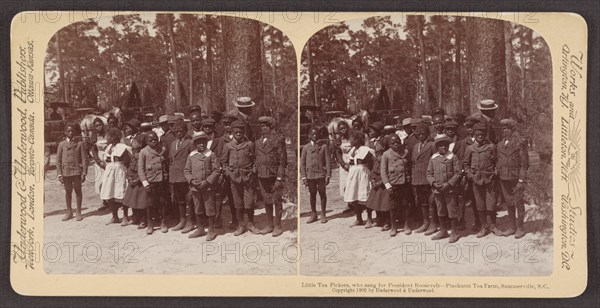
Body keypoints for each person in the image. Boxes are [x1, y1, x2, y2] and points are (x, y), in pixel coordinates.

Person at [221, 120, 259, 236]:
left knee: (249, 202)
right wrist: (228, 172)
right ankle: (241, 225)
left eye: (241, 130)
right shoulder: (228, 146)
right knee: (238, 203)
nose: (238, 132)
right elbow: (223, 162)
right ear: (232, 131)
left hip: (248, 178)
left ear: (244, 131)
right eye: (236, 130)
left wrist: (254, 170)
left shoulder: (249, 145)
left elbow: (255, 160)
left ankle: (251, 224)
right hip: (234, 179)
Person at [463, 123, 500, 238]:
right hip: (477, 180)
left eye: (482, 134)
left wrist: (496, 171)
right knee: (480, 205)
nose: (480, 136)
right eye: (477, 134)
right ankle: (484, 227)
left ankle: (493, 225)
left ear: (485, 135)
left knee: (492, 203)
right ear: (474, 134)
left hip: (490, 179)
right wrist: (470, 175)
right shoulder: (470, 148)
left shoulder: (491, 147)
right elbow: (465, 164)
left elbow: (497, 161)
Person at [254, 116, 288, 236]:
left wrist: (280, 177)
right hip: (262, 176)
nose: (262, 128)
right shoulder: (257, 142)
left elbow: (283, 161)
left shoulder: (278, 139)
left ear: (270, 127)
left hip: (274, 176)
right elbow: (256, 159)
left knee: (277, 200)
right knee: (266, 200)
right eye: (261, 126)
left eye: (264, 126)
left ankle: (278, 226)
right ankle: (269, 225)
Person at [184, 132, 221, 240]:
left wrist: (208, 182)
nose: (201, 145)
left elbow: (216, 170)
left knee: (209, 209)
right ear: (195, 144)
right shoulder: (191, 156)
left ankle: (211, 230)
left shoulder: (211, 154)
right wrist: (191, 181)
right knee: (198, 208)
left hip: (208, 187)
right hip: (195, 188)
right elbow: (186, 171)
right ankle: (200, 229)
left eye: (203, 143)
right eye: (199, 143)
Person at [427, 134, 463, 243]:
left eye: (445, 145)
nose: (443, 148)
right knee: (440, 210)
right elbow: (429, 173)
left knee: (452, 211)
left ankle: (454, 232)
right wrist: (433, 183)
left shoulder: (453, 157)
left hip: (450, 190)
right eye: (441, 146)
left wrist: (449, 184)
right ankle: (443, 231)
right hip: (437, 190)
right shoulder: (433, 158)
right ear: (437, 147)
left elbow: (458, 173)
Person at [497, 119, 529, 238]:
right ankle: (512, 227)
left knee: (519, 203)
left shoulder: (519, 143)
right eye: (503, 129)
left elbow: (524, 164)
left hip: (516, 179)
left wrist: (521, 180)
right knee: (509, 203)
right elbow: (498, 161)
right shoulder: (499, 144)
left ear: (512, 130)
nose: (505, 131)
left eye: (508, 129)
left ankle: (520, 228)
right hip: (504, 178)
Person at [453, 116, 481, 231]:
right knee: (462, 199)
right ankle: (461, 221)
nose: (469, 129)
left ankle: (479, 222)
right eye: (468, 127)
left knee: (477, 199)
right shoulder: (462, 142)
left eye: (472, 127)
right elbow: (459, 159)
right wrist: (463, 173)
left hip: (478, 175)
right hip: (466, 176)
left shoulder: (483, 140)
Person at [380, 134, 412, 236]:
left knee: (406, 204)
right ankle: (394, 226)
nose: (396, 144)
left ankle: (406, 225)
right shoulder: (386, 154)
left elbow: (410, 166)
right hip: (393, 184)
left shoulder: (405, 152)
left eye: (398, 141)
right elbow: (383, 171)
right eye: (393, 143)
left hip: (404, 183)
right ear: (389, 144)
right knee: (393, 206)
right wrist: (387, 185)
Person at [139, 131, 169, 234]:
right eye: (150, 140)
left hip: (161, 181)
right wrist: (145, 183)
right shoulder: (143, 152)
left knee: (162, 202)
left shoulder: (162, 150)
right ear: (146, 141)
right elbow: (141, 169)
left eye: (155, 139)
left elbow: (166, 164)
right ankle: (150, 223)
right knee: (150, 203)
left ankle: (163, 222)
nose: (153, 142)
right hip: (150, 181)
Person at [56, 124, 88, 221]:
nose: (71, 133)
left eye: (72, 131)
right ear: (65, 132)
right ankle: (69, 212)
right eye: (69, 131)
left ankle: (78, 211)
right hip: (66, 171)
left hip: (77, 171)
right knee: (68, 191)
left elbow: (84, 159)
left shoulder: (79, 143)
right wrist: (59, 173)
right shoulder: (61, 144)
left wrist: (84, 172)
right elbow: (58, 161)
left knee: (78, 191)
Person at [100, 128, 131, 224]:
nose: (107, 138)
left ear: (113, 137)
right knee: (110, 192)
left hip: (119, 171)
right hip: (110, 172)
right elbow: (107, 159)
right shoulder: (109, 147)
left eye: (108, 136)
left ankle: (125, 216)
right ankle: (115, 216)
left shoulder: (123, 147)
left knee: (121, 193)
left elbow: (127, 161)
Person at [344, 130, 375, 227]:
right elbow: (350, 162)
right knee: (354, 196)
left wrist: (370, 175)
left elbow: (371, 164)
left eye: (351, 139)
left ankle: (369, 219)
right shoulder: (352, 150)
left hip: (363, 173)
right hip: (353, 174)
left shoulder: (366, 150)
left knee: (365, 196)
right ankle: (359, 218)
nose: (350, 141)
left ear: (356, 139)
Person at [301, 127, 332, 224]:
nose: (315, 136)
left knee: (322, 193)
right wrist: (303, 176)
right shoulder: (306, 147)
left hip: (321, 174)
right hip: (310, 175)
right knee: (312, 193)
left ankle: (323, 213)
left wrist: (328, 175)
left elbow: (328, 161)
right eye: (313, 134)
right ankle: (313, 214)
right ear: (309, 135)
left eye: (317, 134)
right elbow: (302, 163)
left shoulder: (323, 147)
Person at [167, 121, 194, 231]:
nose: (179, 133)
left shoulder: (190, 143)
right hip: (175, 176)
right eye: (176, 131)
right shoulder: (173, 144)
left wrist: (191, 176)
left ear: (185, 131)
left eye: (181, 131)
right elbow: (171, 161)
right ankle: (182, 220)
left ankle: (190, 222)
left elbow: (193, 159)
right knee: (180, 200)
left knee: (190, 199)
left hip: (185, 176)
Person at [411, 123, 437, 234]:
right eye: (419, 133)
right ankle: (425, 222)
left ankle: (433, 224)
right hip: (418, 179)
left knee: (432, 202)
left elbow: (435, 162)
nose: (421, 135)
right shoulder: (415, 147)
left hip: (428, 178)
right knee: (423, 202)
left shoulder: (432, 145)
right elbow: (413, 163)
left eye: (423, 133)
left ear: (427, 133)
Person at [216, 114, 239, 229]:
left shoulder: (240, 137)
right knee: (220, 195)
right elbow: (219, 156)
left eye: (230, 124)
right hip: (225, 172)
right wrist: (222, 170)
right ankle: (218, 218)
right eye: (225, 124)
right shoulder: (222, 139)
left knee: (233, 197)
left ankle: (235, 219)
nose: (228, 127)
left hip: (236, 170)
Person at [122, 136, 149, 228]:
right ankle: (135, 217)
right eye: (132, 142)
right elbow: (130, 167)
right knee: (132, 200)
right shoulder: (133, 154)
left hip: (139, 181)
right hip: (132, 179)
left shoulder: (143, 154)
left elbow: (144, 169)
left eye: (134, 143)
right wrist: (129, 177)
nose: (132, 144)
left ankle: (143, 219)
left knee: (141, 201)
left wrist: (137, 180)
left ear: (140, 144)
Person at [91, 117, 109, 211]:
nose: (98, 127)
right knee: (100, 182)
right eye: (96, 125)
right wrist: (99, 162)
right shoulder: (94, 136)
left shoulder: (108, 135)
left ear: (103, 125)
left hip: (108, 159)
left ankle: (112, 201)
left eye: (100, 125)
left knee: (109, 180)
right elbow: (93, 151)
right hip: (99, 160)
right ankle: (104, 202)